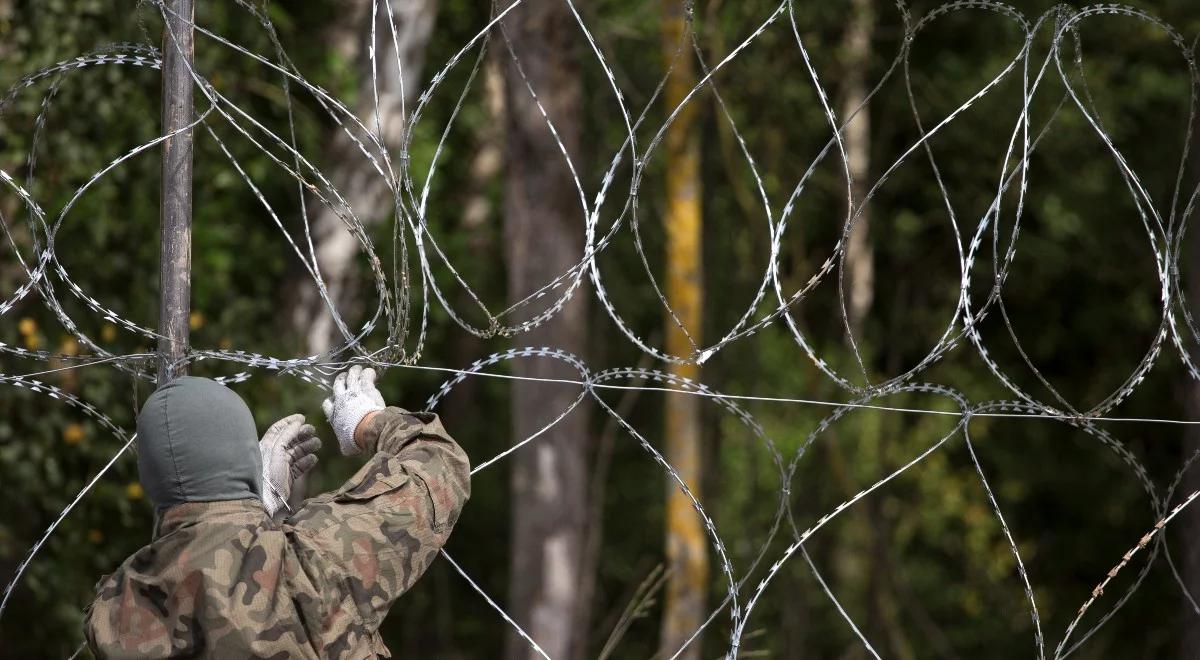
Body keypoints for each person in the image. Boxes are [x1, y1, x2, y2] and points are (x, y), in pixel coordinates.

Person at [83, 366, 470, 658]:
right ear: (248, 459)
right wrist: (367, 422)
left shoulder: (114, 611)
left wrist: (255, 510)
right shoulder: (309, 562)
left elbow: (194, 571)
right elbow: (438, 467)